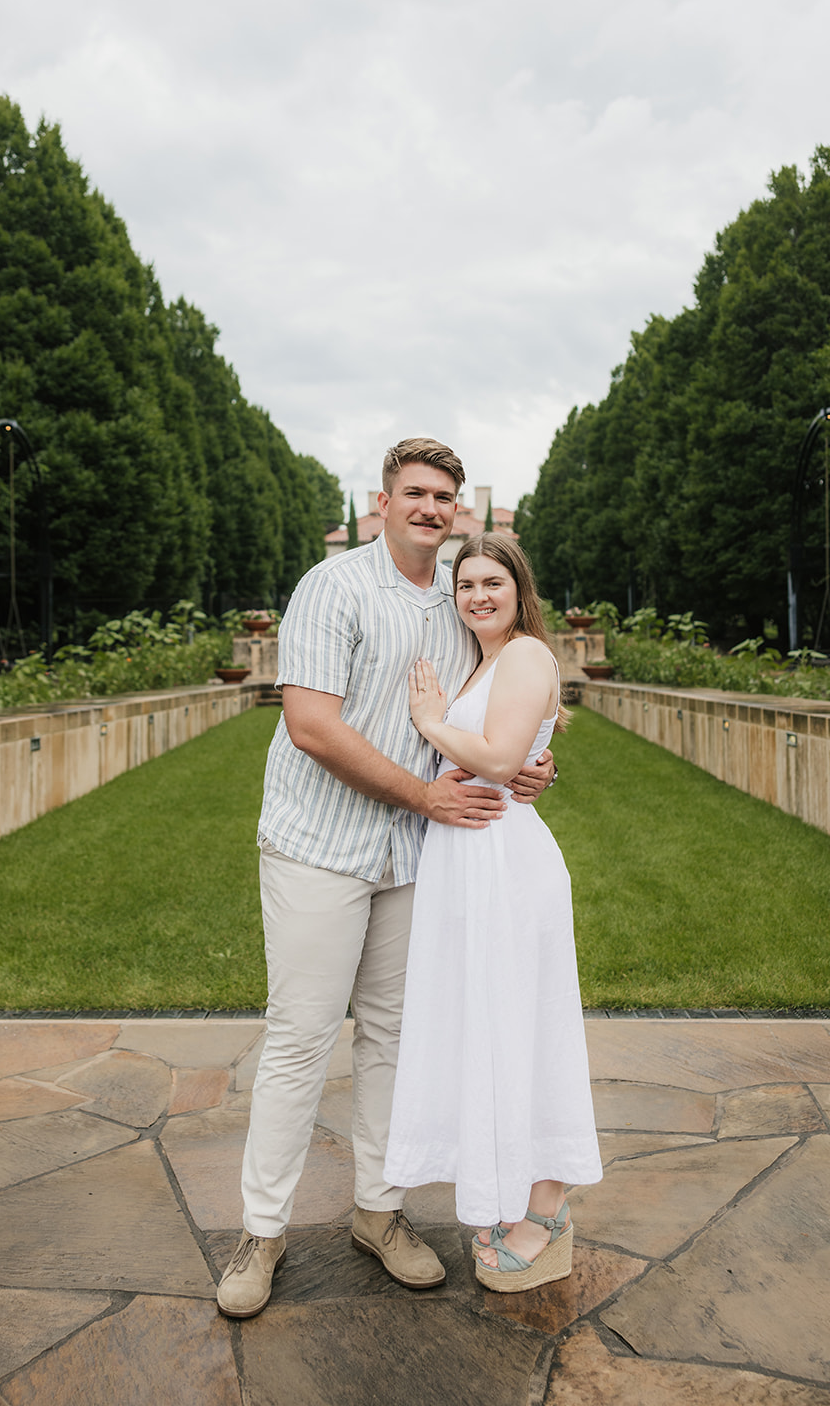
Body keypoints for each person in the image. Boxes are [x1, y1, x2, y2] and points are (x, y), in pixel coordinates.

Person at [215, 438, 555, 1319]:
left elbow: (489, 712)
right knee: (298, 1040)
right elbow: (311, 728)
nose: (431, 509)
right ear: (384, 499)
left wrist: (523, 767)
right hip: (320, 844)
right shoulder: (331, 588)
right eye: (415, 493)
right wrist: (429, 798)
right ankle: (262, 1232)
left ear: (457, 509)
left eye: (444, 496)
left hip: (410, 852)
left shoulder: (455, 599)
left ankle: (380, 1212)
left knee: (393, 1039)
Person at [384, 532, 603, 1292]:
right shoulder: (485, 661)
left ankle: (545, 1210)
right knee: (491, 1027)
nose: (478, 594)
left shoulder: (526, 655)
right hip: (469, 863)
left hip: (506, 865)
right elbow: (517, 752)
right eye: (466, 583)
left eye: (492, 582)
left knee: (526, 1026)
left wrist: (431, 723)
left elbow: (505, 762)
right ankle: (515, 1195)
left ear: (519, 589)